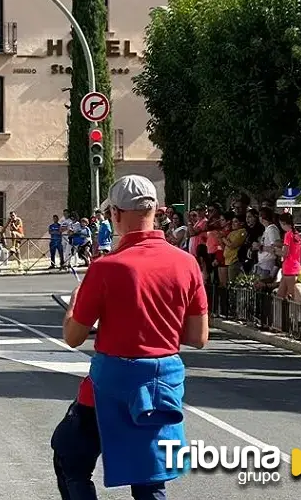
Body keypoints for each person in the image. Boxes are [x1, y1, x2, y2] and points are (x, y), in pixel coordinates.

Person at [51, 174, 209, 500]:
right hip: (162, 382)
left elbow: (73, 337)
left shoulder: (107, 266)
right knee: (149, 478)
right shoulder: (187, 263)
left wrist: (73, 305)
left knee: (70, 456)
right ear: (156, 211)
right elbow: (198, 336)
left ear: (117, 214)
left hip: (111, 386)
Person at [277, 212, 301, 301]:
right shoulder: (296, 234)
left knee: (292, 297)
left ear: (283, 223)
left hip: (289, 268)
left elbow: (285, 253)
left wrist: (275, 250)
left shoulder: (288, 234)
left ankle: (295, 315)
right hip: (293, 267)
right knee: (280, 296)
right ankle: (281, 315)